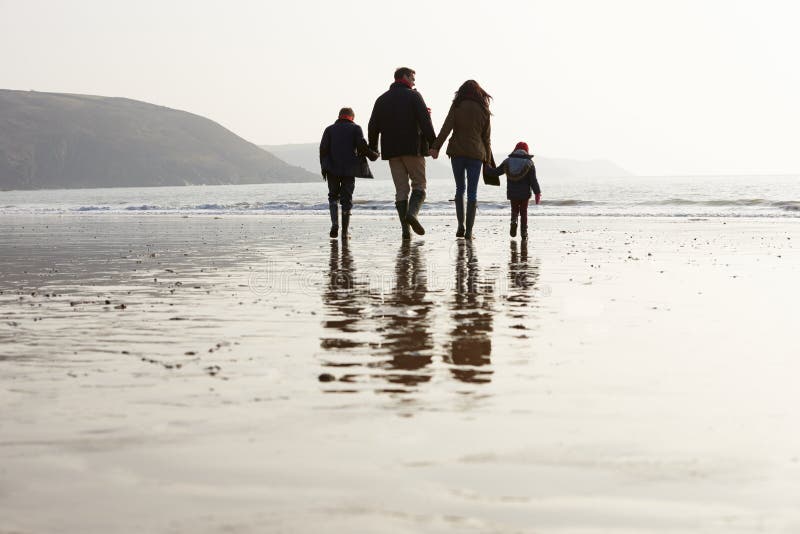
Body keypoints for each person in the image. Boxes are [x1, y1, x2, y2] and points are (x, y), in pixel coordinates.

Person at [368, 67, 437, 239]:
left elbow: (372, 126)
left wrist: (373, 147)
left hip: (391, 151)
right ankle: (412, 215)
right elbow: (425, 120)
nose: (414, 81)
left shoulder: (381, 99)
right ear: (404, 77)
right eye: (412, 77)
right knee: (419, 185)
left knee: (401, 190)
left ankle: (406, 231)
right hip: (413, 148)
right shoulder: (414, 96)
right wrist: (434, 144)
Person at [430, 80, 494, 239]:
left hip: (457, 153)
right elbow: (487, 139)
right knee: (472, 192)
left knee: (460, 189)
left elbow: (446, 127)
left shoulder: (457, 105)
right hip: (476, 155)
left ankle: (460, 226)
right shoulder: (484, 110)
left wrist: (436, 147)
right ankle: (469, 232)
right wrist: (488, 160)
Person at [320, 107, 378, 240]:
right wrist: (373, 155)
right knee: (347, 200)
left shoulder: (329, 129)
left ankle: (335, 225)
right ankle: (345, 233)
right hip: (349, 170)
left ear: (339, 116)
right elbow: (362, 147)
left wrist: (324, 168)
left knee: (333, 197)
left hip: (332, 169)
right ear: (352, 117)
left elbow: (323, 150)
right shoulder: (355, 128)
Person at [484, 142, 541, 239]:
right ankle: (524, 233)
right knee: (524, 212)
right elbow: (533, 180)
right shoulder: (530, 164)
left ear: (515, 149)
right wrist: (537, 193)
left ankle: (513, 221)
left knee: (514, 210)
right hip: (525, 194)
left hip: (512, 193)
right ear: (526, 151)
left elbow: (496, 172)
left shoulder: (507, 161)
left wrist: (486, 166)